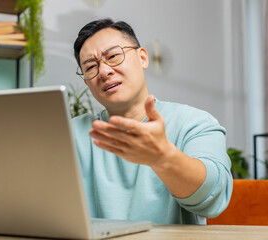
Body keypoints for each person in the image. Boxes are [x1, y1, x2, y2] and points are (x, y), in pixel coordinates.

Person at [71, 18, 233, 224]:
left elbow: (213, 199)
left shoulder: (193, 122)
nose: (103, 72)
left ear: (142, 58)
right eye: (91, 67)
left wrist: (164, 158)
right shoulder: (71, 133)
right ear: (86, 81)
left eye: (112, 56)